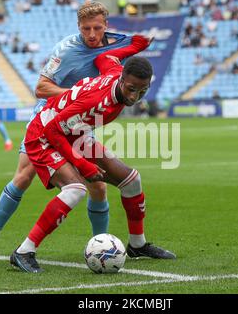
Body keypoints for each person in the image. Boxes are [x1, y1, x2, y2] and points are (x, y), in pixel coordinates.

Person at [0, 1, 138, 266]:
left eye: (96, 28)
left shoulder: (116, 46)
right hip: (48, 117)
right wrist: (77, 96)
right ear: (78, 27)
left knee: (98, 185)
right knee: (24, 176)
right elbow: (41, 87)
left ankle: (101, 248)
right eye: (85, 29)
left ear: (106, 25)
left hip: (79, 124)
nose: (91, 34)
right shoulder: (67, 49)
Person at [10, 35, 176, 273]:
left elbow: (104, 57)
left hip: (74, 134)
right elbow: (53, 129)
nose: (133, 97)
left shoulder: (115, 72)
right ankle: (24, 251)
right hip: (44, 136)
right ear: (121, 79)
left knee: (132, 181)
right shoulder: (99, 101)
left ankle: (137, 246)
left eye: (142, 91)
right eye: (131, 89)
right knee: (76, 190)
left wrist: (136, 46)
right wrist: (81, 163)